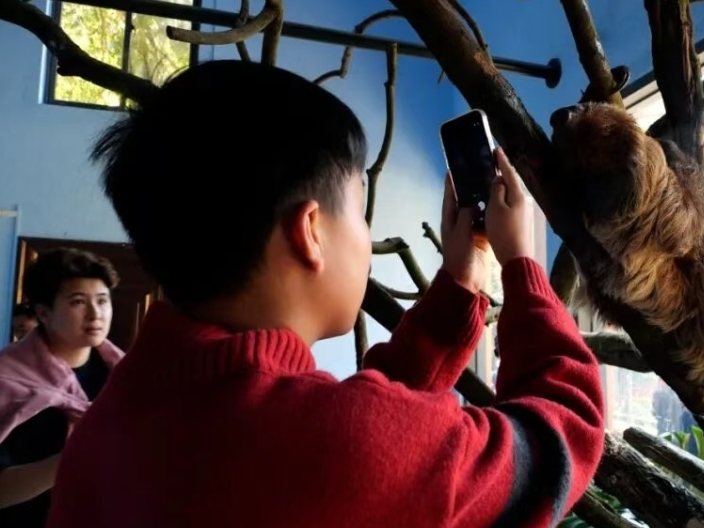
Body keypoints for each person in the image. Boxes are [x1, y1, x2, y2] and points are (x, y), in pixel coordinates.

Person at [47, 60, 605, 528]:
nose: (364, 234)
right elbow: (562, 437)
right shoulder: (337, 449)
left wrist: (460, 287)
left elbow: (350, 428)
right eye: (359, 208)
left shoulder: (107, 430)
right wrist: (523, 267)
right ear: (310, 230)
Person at [0, 247, 122, 528]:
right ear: (43, 313)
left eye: (103, 301)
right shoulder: (7, 380)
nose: (95, 314)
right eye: (78, 302)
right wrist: (76, 454)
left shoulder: (125, 376)